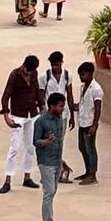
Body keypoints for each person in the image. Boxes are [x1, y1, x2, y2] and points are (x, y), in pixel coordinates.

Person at [0, 54, 44, 194]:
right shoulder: (15, 75)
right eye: (27, 69)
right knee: (15, 147)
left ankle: (27, 176)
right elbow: (6, 95)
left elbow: (36, 89)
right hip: (18, 114)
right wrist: (6, 115)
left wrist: (41, 106)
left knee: (30, 146)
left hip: (32, 113)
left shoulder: (34, 73)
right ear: (23, 65)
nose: (28, 72)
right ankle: (8, 179)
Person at [34, 92, 68, 221]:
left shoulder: (59, 120)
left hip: (56, 160)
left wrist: (62, 161)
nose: (62, 109)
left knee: (53, 191)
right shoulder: (41, 121)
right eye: (60, 106)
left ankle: (48, 220)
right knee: (48, 192)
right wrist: (45, 142)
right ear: (52, 106)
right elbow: (35, 141)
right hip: (46, 162)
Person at [40, 50, 76, 182]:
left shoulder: (67, 75)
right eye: (53, 65)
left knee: (59, 142)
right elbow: (41, 95)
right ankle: (58, 168)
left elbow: (70, 95)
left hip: (63, 114)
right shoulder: (44, 77)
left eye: (57, 65)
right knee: (50, 143)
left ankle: (59, 170)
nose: (55, 67)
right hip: (49, 115)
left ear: (61, 63)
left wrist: (72, 115)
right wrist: (42, 112)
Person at [75, 61, 104, 185]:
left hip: (89, 124)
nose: (81, 77)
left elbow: (98, 108)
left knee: (90, 148)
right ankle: (87, 171)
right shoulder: (83, 87)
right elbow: (83, 103)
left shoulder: (96, 89)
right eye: (80, 75)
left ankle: (93, 174)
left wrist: (94, 125)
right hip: (82, 122)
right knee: (82, 147)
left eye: (83, 75)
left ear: (90, 74)